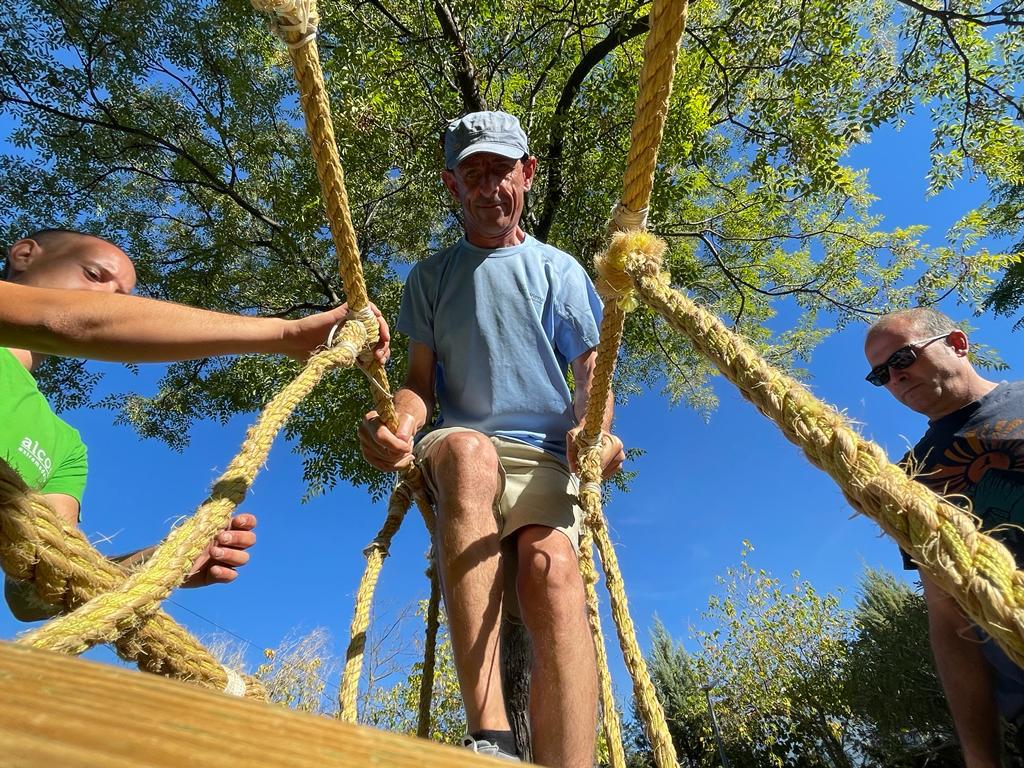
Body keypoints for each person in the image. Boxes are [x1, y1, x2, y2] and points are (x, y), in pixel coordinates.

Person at [359, 111, 624, 766]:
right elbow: (420, 382)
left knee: (551, 569)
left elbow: (591, 369)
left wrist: (595, 431)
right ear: (453, 185)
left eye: (501, 171)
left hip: (545, 452)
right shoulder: (430, 278)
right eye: (472, 173)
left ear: (526, 175)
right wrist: (400, 423)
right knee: (470, 453)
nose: (488, 188)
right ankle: (491, 736)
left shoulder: (560, 272)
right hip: (459, 448)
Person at [2, 228, 389, 619]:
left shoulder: (64, 448)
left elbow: (37, 591)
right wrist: (288, 334)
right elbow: (76, 322)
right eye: (94, 275)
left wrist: (162, 563)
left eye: (122, 300)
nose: (107, 301)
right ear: (24, 254)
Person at [864, 306, 1024, 767]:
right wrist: (980, 757)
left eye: (902, 358)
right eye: (880, 376)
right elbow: (950, 618)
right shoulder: (908, 482)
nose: (894, 378)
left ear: (956, 344)